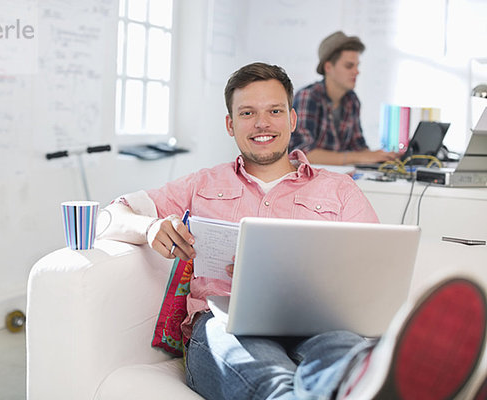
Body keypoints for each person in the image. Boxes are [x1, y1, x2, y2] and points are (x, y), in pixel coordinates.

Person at [101, 62, 487, 399]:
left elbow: (374, 272)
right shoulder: (199, 184)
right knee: (271, 380)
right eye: (248, 113)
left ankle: (369, 380)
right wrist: (149, 226)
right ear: (230, 124)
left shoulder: (339, 189)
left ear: (292, 118)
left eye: (274, 110)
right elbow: (109, 216)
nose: (262, 123)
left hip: (322, 325)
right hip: (226, 322)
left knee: (348, 363)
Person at [289, 31, 399, 165]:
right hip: (310, 180)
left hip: (338, 178)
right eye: (349, 66)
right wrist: (358, 157)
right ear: (328, 67)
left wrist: (385, 156)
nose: (357, 72)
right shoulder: (308, 97)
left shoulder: (352, 100)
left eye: (357, 66)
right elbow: (304, 154)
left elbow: (358, 148)